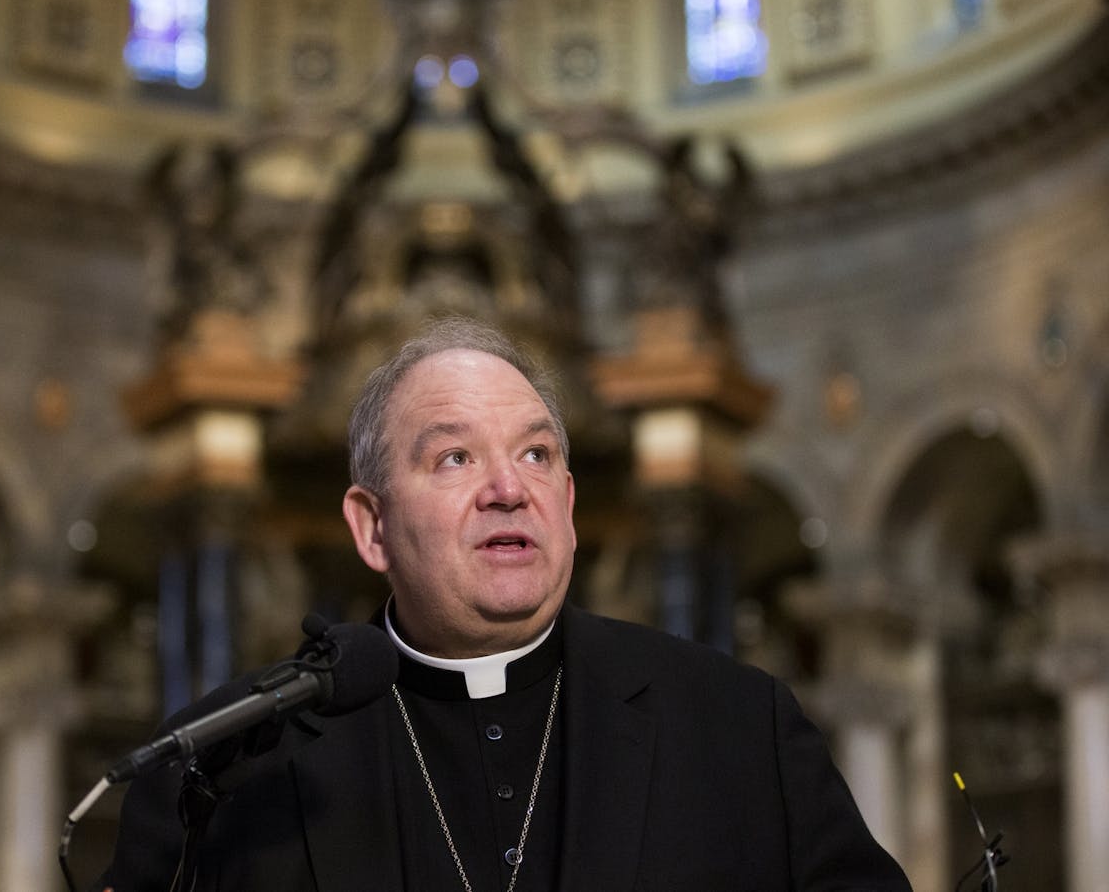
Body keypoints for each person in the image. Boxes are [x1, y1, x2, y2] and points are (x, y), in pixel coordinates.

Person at [101, 317, 911, 891]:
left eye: (535, 453)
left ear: (565, 499)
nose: (507, 490)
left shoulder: (740, 726)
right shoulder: (225, 763)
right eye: (454, 457)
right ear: (371, 527)